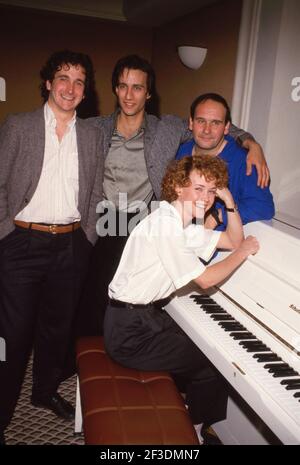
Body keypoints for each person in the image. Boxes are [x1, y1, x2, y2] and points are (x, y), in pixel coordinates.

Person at [79, 54, 268, 335]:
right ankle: (92, 356)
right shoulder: (96, 128)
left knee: (141, 294)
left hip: (143, 220)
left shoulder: (166, 127)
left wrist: (252, 144)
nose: (129, 95)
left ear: (149, 93)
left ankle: (129, 350)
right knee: (94, 294)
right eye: (123, 86)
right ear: (115, 89)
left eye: (138, 88)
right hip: (104, 219)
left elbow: (213, 125)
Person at [103, 154, 259, 435]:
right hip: (128, 333)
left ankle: (185, 407)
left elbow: (233, 240)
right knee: (214, 364)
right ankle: (195, 430)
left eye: (212, 191)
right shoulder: (166, 226)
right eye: (198, 188)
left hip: (144, 317)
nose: (207, 198)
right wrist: (245, 253)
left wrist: (230, 203)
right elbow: (207, 278)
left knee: (208, 343)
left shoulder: (182, 224)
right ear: (178, 186)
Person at [0, 50, 102, 444]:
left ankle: (43, 394)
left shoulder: (93, 133)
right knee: (12, 334)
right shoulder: (19, 126)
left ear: (85, 91)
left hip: (71, 245)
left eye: (79, 81)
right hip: (20, 242)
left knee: (57, 331)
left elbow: (94, 192)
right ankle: (3, 412)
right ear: (48, 83)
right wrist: (6, 233)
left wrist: (87, 236)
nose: (70, 87)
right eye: (63, 78)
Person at [176, 93, 275, 230]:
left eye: (215, 123)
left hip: (219, 244)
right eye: (200, 121)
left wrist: (218, 216)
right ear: (191, 123)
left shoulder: (245, 161)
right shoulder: (181, 151)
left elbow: (263, 207)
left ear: (227, 127)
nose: (207, 130)